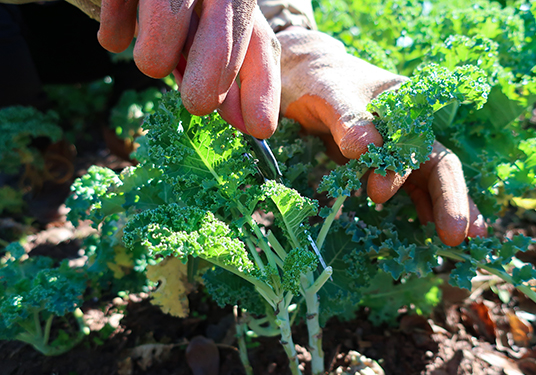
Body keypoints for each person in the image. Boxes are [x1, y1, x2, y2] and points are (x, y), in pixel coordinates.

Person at [0, 0, 486, 246]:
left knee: (180, 50)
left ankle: (131, 92)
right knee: (17, 110)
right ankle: (32, 175)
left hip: (123, 24)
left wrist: (293, 40)